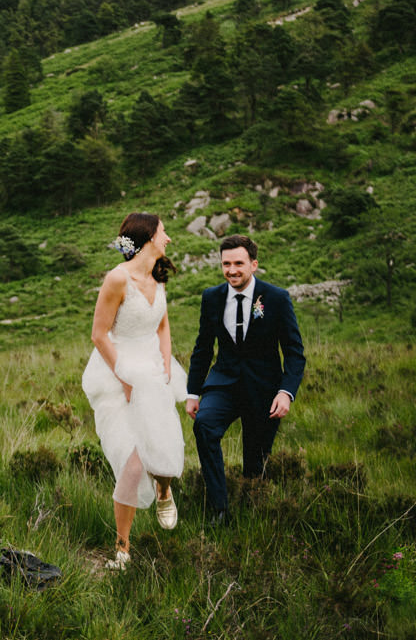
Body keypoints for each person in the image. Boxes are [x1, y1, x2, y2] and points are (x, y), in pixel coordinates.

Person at [82, 212, 188, 570]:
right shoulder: (117, 279)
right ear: (147, 238)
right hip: (117, 373)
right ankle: (122, 550)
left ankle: (163, 490)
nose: (168, 239)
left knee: (161, 442)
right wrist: (126, 379)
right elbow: (99, 335)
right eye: (163, 233)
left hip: (153, 369)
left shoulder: (158, 278)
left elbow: (163, 327)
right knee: (130, 463)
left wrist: (164, 365)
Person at [185, 233, 306, 525]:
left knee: (255, 461)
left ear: (253, 264)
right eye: (226, 264)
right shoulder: (211, 297)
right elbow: (203, 347)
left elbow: (294, 351)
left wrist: (285, 392)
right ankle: (220, 510)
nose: (232, 270)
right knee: (205, 426)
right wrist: (192, 392)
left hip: (264, 390)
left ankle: (252, 511)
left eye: (238, 263)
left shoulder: (276, 298)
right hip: (223, 384)